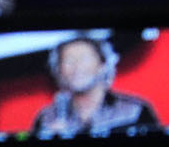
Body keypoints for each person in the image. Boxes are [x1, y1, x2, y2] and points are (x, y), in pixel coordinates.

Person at [29, 35, 157, 139]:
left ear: (102, 65)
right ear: (59, 71)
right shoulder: (46, 118)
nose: (76, 68)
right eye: (68, 61)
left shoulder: (134, 110)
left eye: (84, 59)